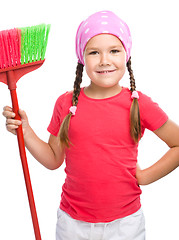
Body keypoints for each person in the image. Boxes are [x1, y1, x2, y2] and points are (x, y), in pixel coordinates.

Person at [2, 10, 179, 240]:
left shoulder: (138, 103)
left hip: (125, 224)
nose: (105, 60)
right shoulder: (66, 103)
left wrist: (144, 176)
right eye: (94, 52)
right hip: (73, 224)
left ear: (126, 54)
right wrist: (25, 131)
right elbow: (53, 158)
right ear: (82, 57)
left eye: (114, 51)